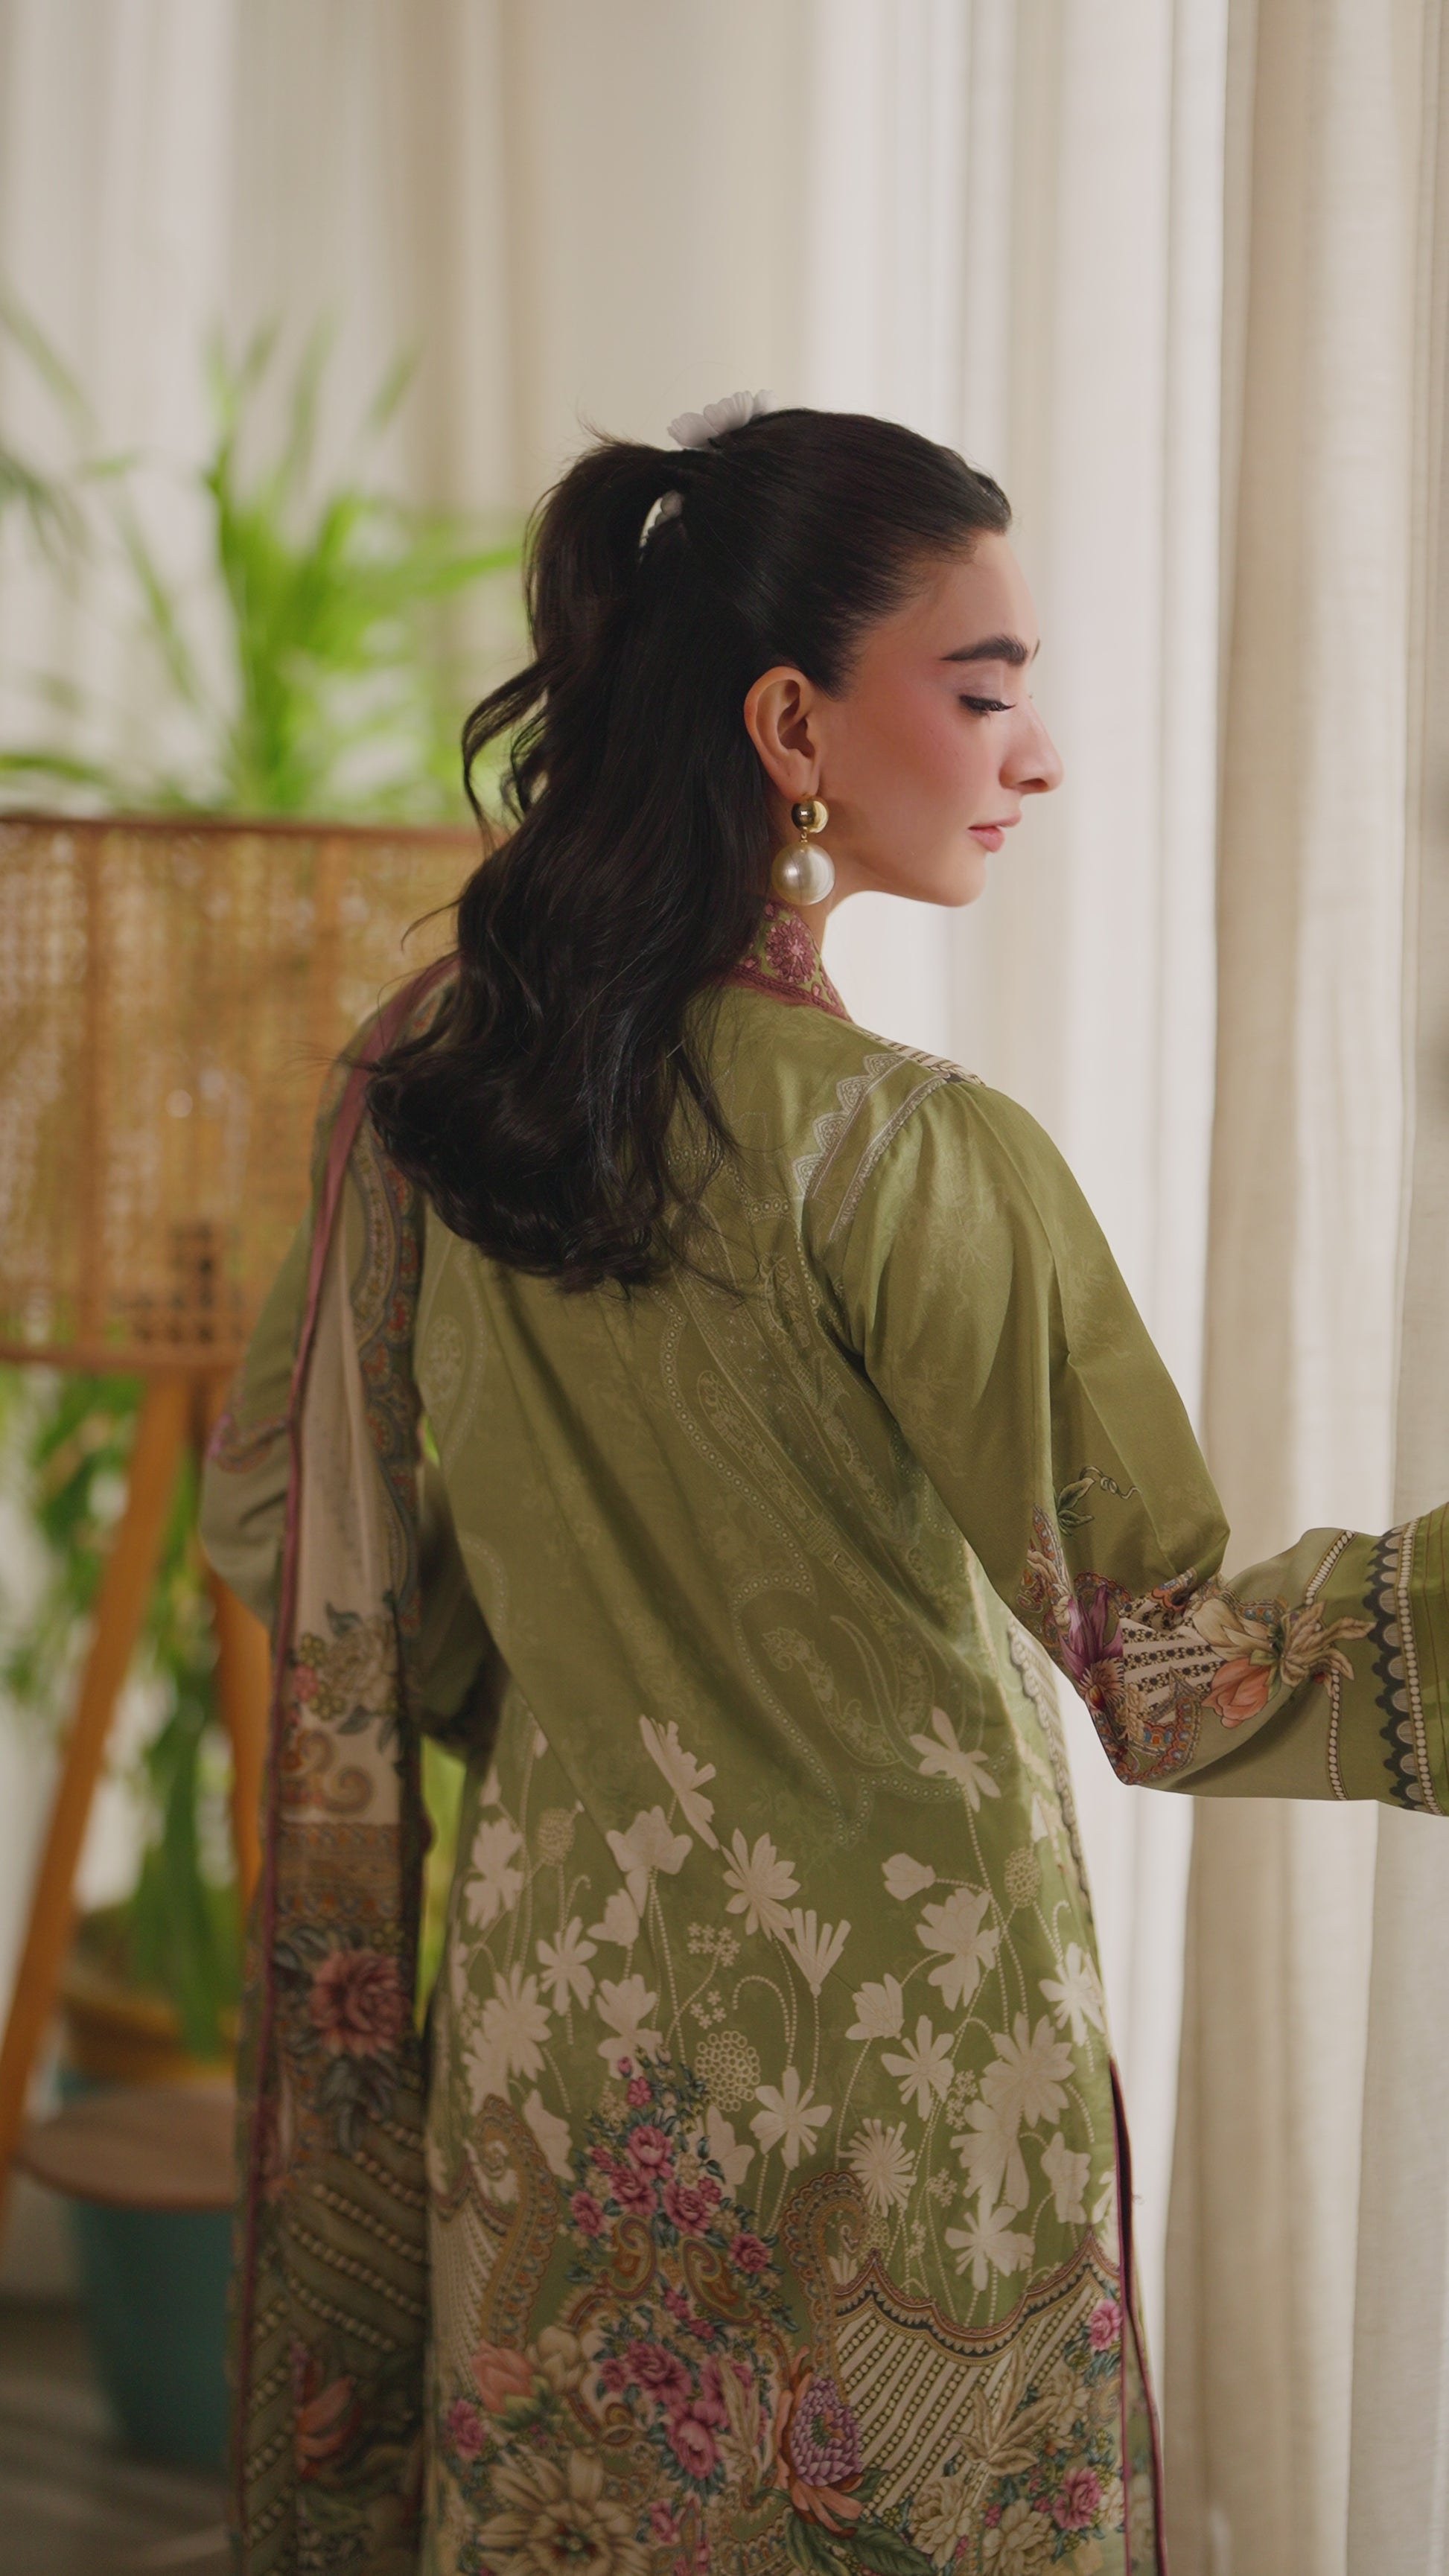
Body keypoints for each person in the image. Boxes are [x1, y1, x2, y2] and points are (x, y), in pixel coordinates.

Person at [201, 395, 1447, 2576]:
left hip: (561, 2052)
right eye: (985, 691)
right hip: (898, 2101)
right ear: (792, 723)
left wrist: (599, 1703)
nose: (1037, 756)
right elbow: (1178, 1668)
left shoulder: (432, 1085)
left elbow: (273, 1523)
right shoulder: (907, 1156)